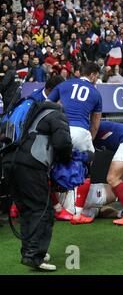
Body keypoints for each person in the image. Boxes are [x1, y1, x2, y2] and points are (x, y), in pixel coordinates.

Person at [1, 100, 73, 271]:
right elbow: (63, 143)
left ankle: (29, 251)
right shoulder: (56, 115)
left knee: (27, 209)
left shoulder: (29, 116)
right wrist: (65, 160)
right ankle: (34, 255)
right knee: (42, 210)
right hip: (31, 164)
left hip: (8, 162)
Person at [47, 61, 102, 224]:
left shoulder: (64, 85)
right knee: (86, 170)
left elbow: (47, 107)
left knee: (49, 169)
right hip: (81, 131)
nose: (96, 80)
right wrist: (88, 140)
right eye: (97, 77)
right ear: (92, 75)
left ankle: (57, 209)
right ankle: (77, 214)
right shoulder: (96, 93)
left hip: (60, 130)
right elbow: (96, 124)